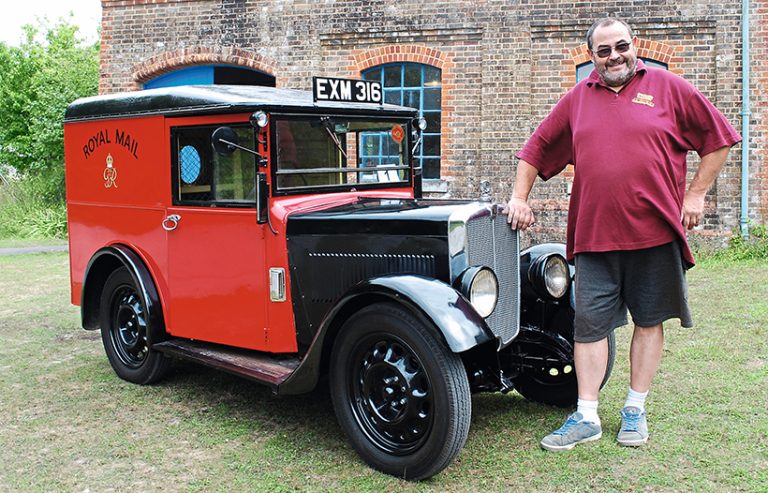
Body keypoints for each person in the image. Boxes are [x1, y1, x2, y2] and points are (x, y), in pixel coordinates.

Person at [505, 17, 741, 451]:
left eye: (622, 46)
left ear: (635, 46)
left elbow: (718, 138)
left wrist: (695, 196)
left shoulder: (669, 87)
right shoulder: (578, 99)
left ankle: (635, 408)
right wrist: (520, 197)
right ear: (592, 57)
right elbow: (535, 148)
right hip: (594, 237)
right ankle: (587, 415)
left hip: (655, 233)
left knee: (649, 322)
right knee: (588, 327)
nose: (615, 56)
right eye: (604, 50)